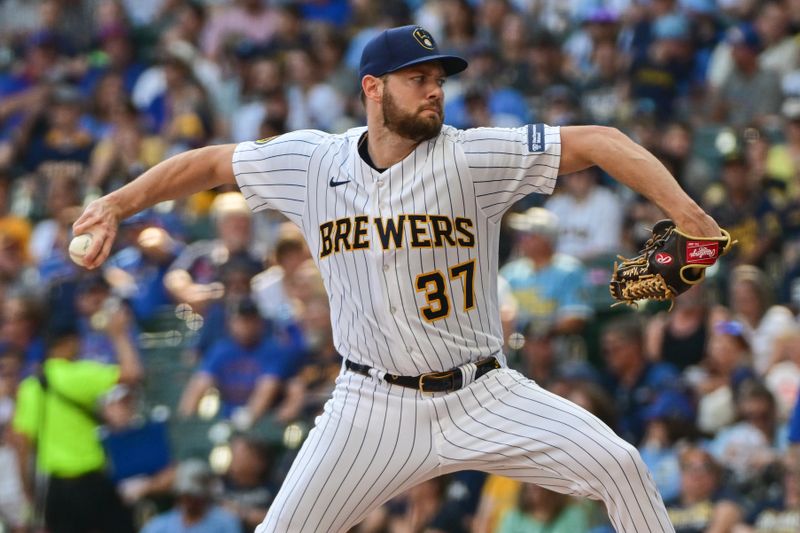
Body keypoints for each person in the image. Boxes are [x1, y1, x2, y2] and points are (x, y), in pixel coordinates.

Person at [73, 24, 726, 533]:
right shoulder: (314, 162)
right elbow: (211, 162)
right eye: (417, 78)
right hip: (370, 405)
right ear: (373, 88)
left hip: (483, 393)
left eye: (438, 76)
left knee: (622, 466)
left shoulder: (473, 157)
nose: (435, 88)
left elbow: (603, 139)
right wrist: (115, 204)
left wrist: (691, 217)